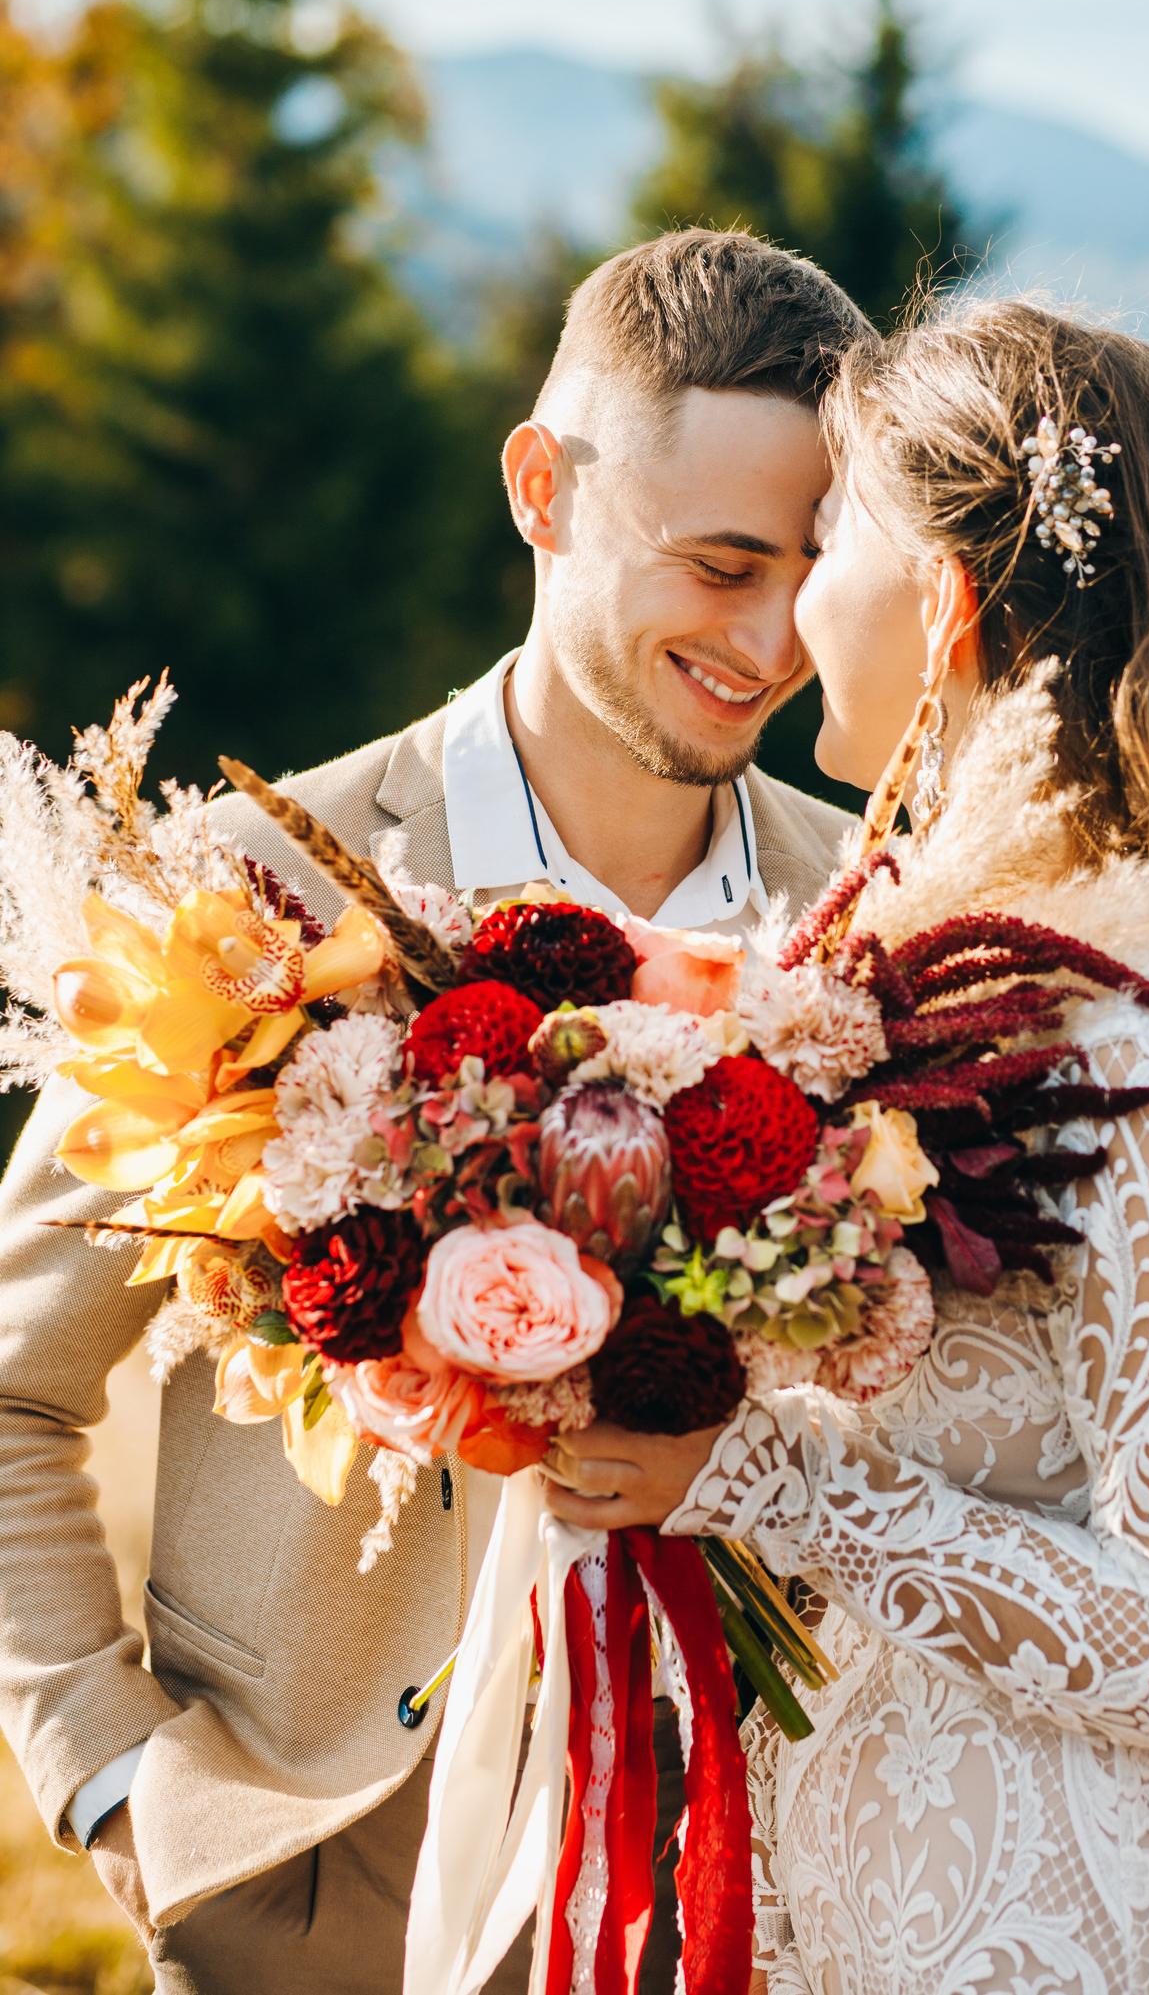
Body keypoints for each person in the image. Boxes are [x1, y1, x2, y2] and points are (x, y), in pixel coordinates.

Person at [0, 228, 872, 1994]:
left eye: (808, 569)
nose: (769, 638)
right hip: (327, 1879)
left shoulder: (865, 919)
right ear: (541, 488)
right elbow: (15, 1378)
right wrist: (120, 1782)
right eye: (715, 564)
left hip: (778, 1883)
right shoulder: (251, 896)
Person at [542, 295, 1149, 1993]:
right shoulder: (904, 984)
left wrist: (760, 1478)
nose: (787, 604)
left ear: (945, 605)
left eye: (830, 531)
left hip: (1082, 1936)